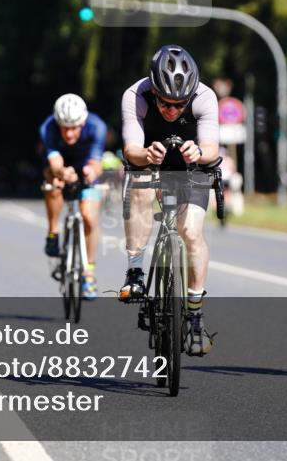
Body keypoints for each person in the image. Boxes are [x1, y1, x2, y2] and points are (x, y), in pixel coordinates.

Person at [120, 44, 220, 356]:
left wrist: (200, 153)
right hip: (149, 161)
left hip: (194, 167)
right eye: (165, 103)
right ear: (153, 89)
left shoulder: (205, 96)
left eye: (180, 105)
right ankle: (135, 271)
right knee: (140, 185)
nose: (172, 110)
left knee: (191, 232)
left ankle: (194, 313)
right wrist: (146, 154)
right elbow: (130, 149)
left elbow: (212, 148)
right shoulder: (134, 94)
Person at [39, 93, 107, 300]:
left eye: (74, 128)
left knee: (88, 216)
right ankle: (53, 233)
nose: (68, 134)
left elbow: (97, 162)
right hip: (61, 166)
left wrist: (91, 172)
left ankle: (88, 273)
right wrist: (61, 173)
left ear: (83, 122)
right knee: (52, 184)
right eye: (64, 128)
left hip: (86, 166)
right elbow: (54, 162)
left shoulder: (97, 127)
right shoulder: (48, 128)